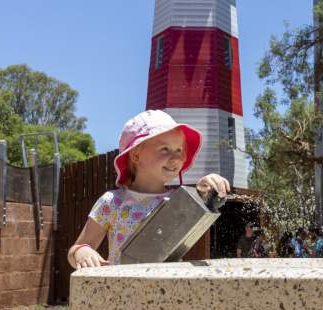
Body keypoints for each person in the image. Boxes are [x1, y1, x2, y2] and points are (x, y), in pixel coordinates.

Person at [67, 110, 231, 268]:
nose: (175, 158)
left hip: (167, 290)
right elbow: (75, 251)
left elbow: (200, 206)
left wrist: (205, 191)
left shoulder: (180, 201)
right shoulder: (112, 202)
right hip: (122, 290)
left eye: (179, 150)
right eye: (164, 149)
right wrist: (82, 252)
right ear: (136, 155)